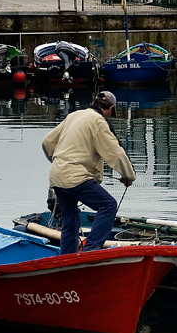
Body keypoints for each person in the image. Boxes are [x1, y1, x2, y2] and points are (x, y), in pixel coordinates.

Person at [42, 90, 136, 254]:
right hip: (76, 177)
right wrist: (128, 175)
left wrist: (57, 161)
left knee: (70, 221)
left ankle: (67, 257)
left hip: (57, 175)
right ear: (111, 108)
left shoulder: (74, 115)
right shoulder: (99, 121)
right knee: (108, 205)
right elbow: (115, 152)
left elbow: (47, 142)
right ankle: (91, 250)